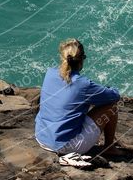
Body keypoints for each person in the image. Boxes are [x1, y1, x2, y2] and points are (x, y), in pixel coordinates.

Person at [35, 38, 120, 167]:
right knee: (111, 107)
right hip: (65, 146)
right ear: (82, 59)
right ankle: (109, 147)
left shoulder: (50, 73)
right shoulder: (84, 84)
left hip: (41, 137)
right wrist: (110, 88)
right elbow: (114, 96)